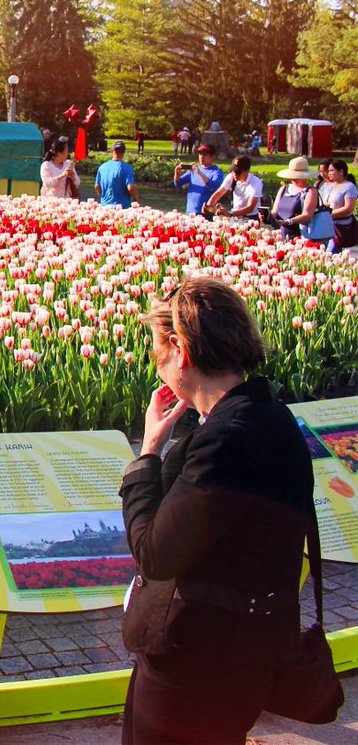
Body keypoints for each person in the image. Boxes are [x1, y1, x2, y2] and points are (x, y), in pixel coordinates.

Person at [120, 276, 313, 743]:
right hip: (244, 653)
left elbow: (155, 554)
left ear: (181, 352)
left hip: (196, 664)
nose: (158, 366)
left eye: (158, 353)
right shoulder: (272, 415)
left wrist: (147, 455)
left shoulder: (223, 442)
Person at [270, 156, 318, 242]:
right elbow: (275, 211)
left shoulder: (310, 191)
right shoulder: (284, 189)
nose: (293, 179)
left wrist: (289, 221)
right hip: (280, 234)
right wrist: (268, 217)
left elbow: (307, 215)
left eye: (296, 177)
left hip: (300, 236)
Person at [204, 155, 262, 220]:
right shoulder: (231, 177)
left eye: (238, 172)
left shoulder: (256, 182)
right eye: (233, 171)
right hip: (235, 217)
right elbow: (218, 193)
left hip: (251, 218)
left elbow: (250, 208)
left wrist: (230, 213)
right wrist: (208, 207)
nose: (234, 174)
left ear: (247, 171)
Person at [172, 144, 223, 218]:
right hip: (190, 211)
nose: (201, 157)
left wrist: (199, 173)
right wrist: (177, 172)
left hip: (206, 212)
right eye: (200, 154)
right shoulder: (193, 170)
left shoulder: (216, 172)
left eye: (205, 155)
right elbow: (178, 184)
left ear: (212, 156)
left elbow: (214, 186)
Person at [320, 158, 358, 255]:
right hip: (326, 225)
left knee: (329, 254)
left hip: (340, 227)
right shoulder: (328, 185)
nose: (329, 173)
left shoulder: (349, 187)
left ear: (341, 171)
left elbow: (349, 208)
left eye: (332, 170)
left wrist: (330, 213)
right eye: (328, 170)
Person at [95, 141, 139, 208]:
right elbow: (130, 187)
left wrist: (103, 197)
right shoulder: (126, 168)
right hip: (122, 207)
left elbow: (97, 186)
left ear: (111, 151)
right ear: (123, 152)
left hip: (105, 206)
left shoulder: (102, 167)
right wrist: (136, 198)